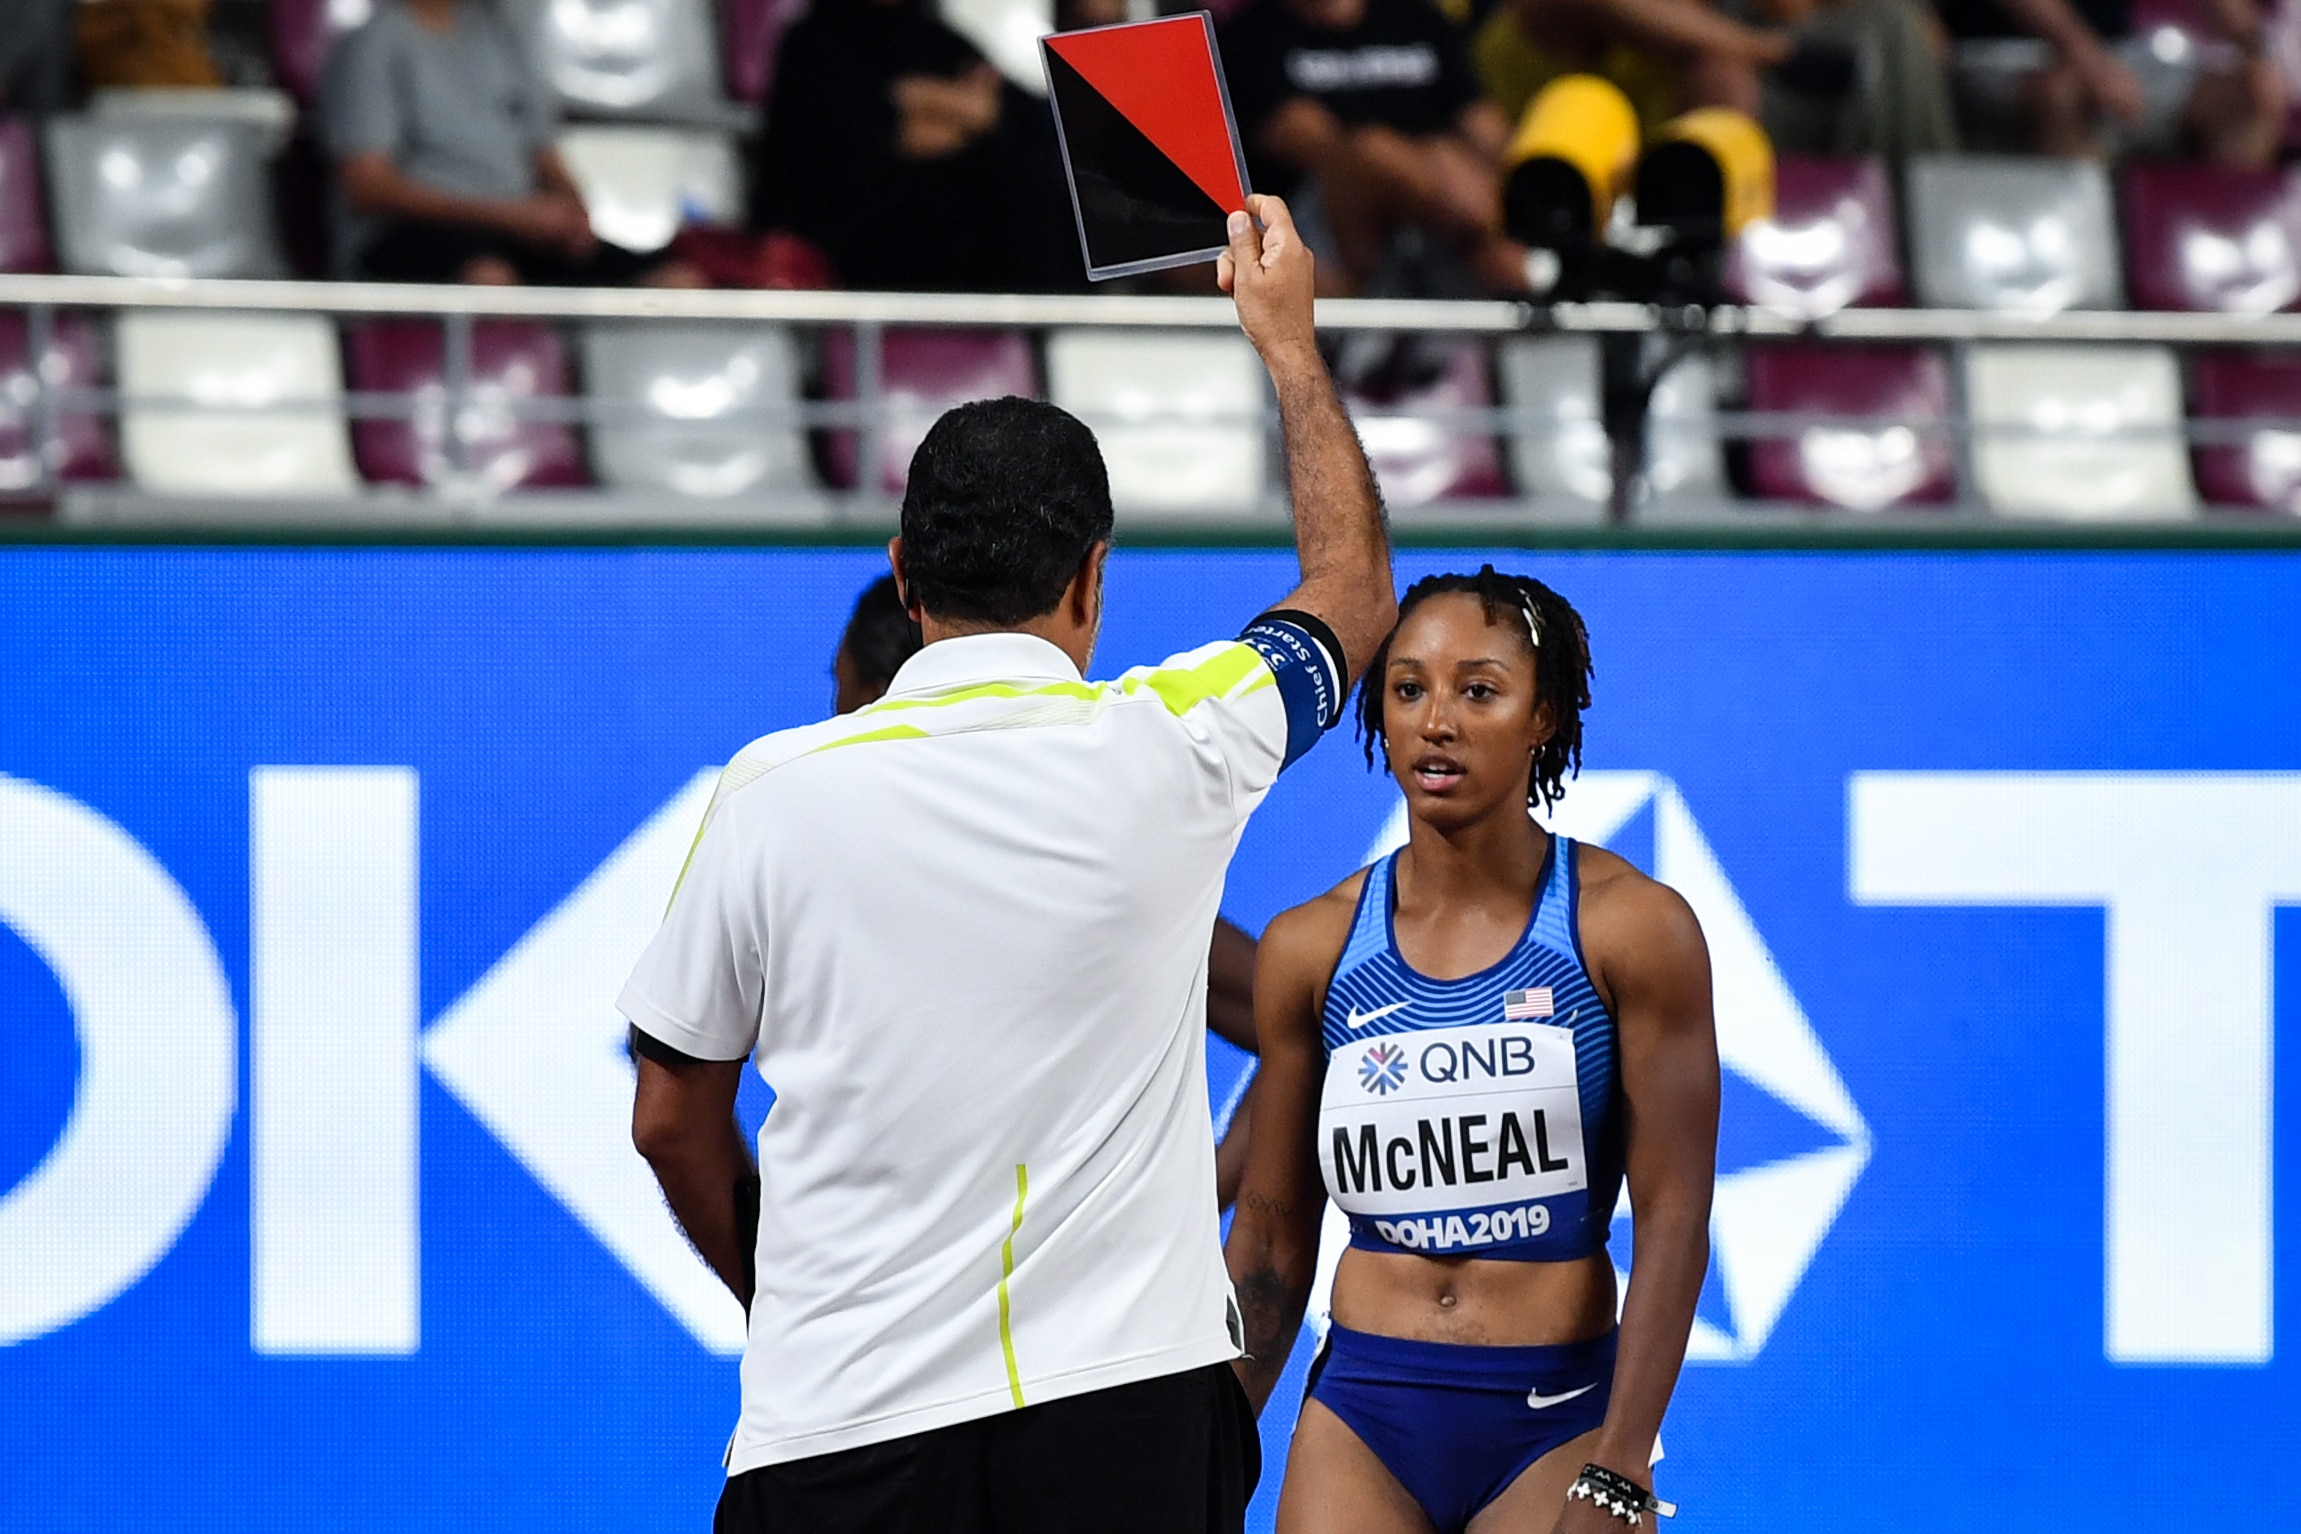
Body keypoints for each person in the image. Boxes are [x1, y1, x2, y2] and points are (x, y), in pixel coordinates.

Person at [621, 194, 1395, 1534]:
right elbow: (1352, 593)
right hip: (1129, 1418)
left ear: (902, 574)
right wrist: (1287, 345)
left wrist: (789, 1299)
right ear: (1093, 583)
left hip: (839, 1425)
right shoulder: (1177, 740)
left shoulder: (769, 792)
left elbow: (669, 1117)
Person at [1224, 567, 1719, 1534]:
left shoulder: (1632, 931)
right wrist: (1206, 1451)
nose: (1435, 721)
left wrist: (1620, 1466)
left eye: (1477, 690)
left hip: (1557, 1422)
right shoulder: (1310, 948)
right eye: (1407, 689)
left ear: (1544, 716)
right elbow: (1272, 1243)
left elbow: (1673, 1219)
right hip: (1362, 1410)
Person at [829, 572, 1264, 1205]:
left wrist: (1199, 1213)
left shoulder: (797, 845)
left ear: (879, 699)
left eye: (839, 696)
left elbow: (670, 1115)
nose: (830, 725)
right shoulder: (1088, 861)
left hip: (897, 1285)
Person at [318, 0, 704, 285]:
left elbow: (547, 157)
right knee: (489, 279)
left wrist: (573, 213)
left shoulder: (499, 38)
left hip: (520, 232)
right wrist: (512, 215)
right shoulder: (371, 45)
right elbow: (367, 186)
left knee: (675, 281)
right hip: (415, 235)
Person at [747, 0, 1079, 292]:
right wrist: (966, 113)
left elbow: (1010, 114)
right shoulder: (812, 44)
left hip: (954, 245)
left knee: (1032, 182)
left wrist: (916, 98)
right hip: (848, 242)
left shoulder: (938, 40)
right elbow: (874, 138)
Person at [1217, 0, 1524, 295]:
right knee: (1373, 153)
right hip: (1318, 218)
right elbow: (1320, 146)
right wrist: (1421, 168)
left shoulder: (1416, 18)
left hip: (1448, 207)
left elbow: (1484, 126)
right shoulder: (1250, 37)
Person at [1938, 0, 2281, 161]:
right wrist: (2091, 61)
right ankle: (2080, 273)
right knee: (2066, 92)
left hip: (2118, 54)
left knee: (2254, 95)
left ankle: (2217, 271)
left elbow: (2236, 20)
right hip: (2002, 52)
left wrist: (2256, 55)